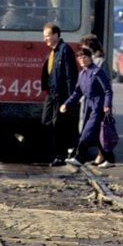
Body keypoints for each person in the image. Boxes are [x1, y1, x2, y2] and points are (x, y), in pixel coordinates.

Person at [60, 37, 115, 167]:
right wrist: (66, 104)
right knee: (96, 134)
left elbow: (107, 90)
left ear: (90, 57)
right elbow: (77, 92)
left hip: (98, 106)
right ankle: (110, 160)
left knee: (86, 132)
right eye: (79, 58)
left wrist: (107, 105)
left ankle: (79, 158)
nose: (82, 60)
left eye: (84, 57)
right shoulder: (82, 74)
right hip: (87, 106)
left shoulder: (97, 71)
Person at [39, 22, 79, 166]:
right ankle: (53, 152)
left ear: (56, 35)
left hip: (61, 95)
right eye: (44, 36)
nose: (45, 39)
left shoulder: (65, 50)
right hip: (51, 93)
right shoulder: (52, 51)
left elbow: (70, 75)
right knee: (46, 121)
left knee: (58, 124)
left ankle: (59, 155)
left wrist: (70, 99)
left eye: (48, 36)